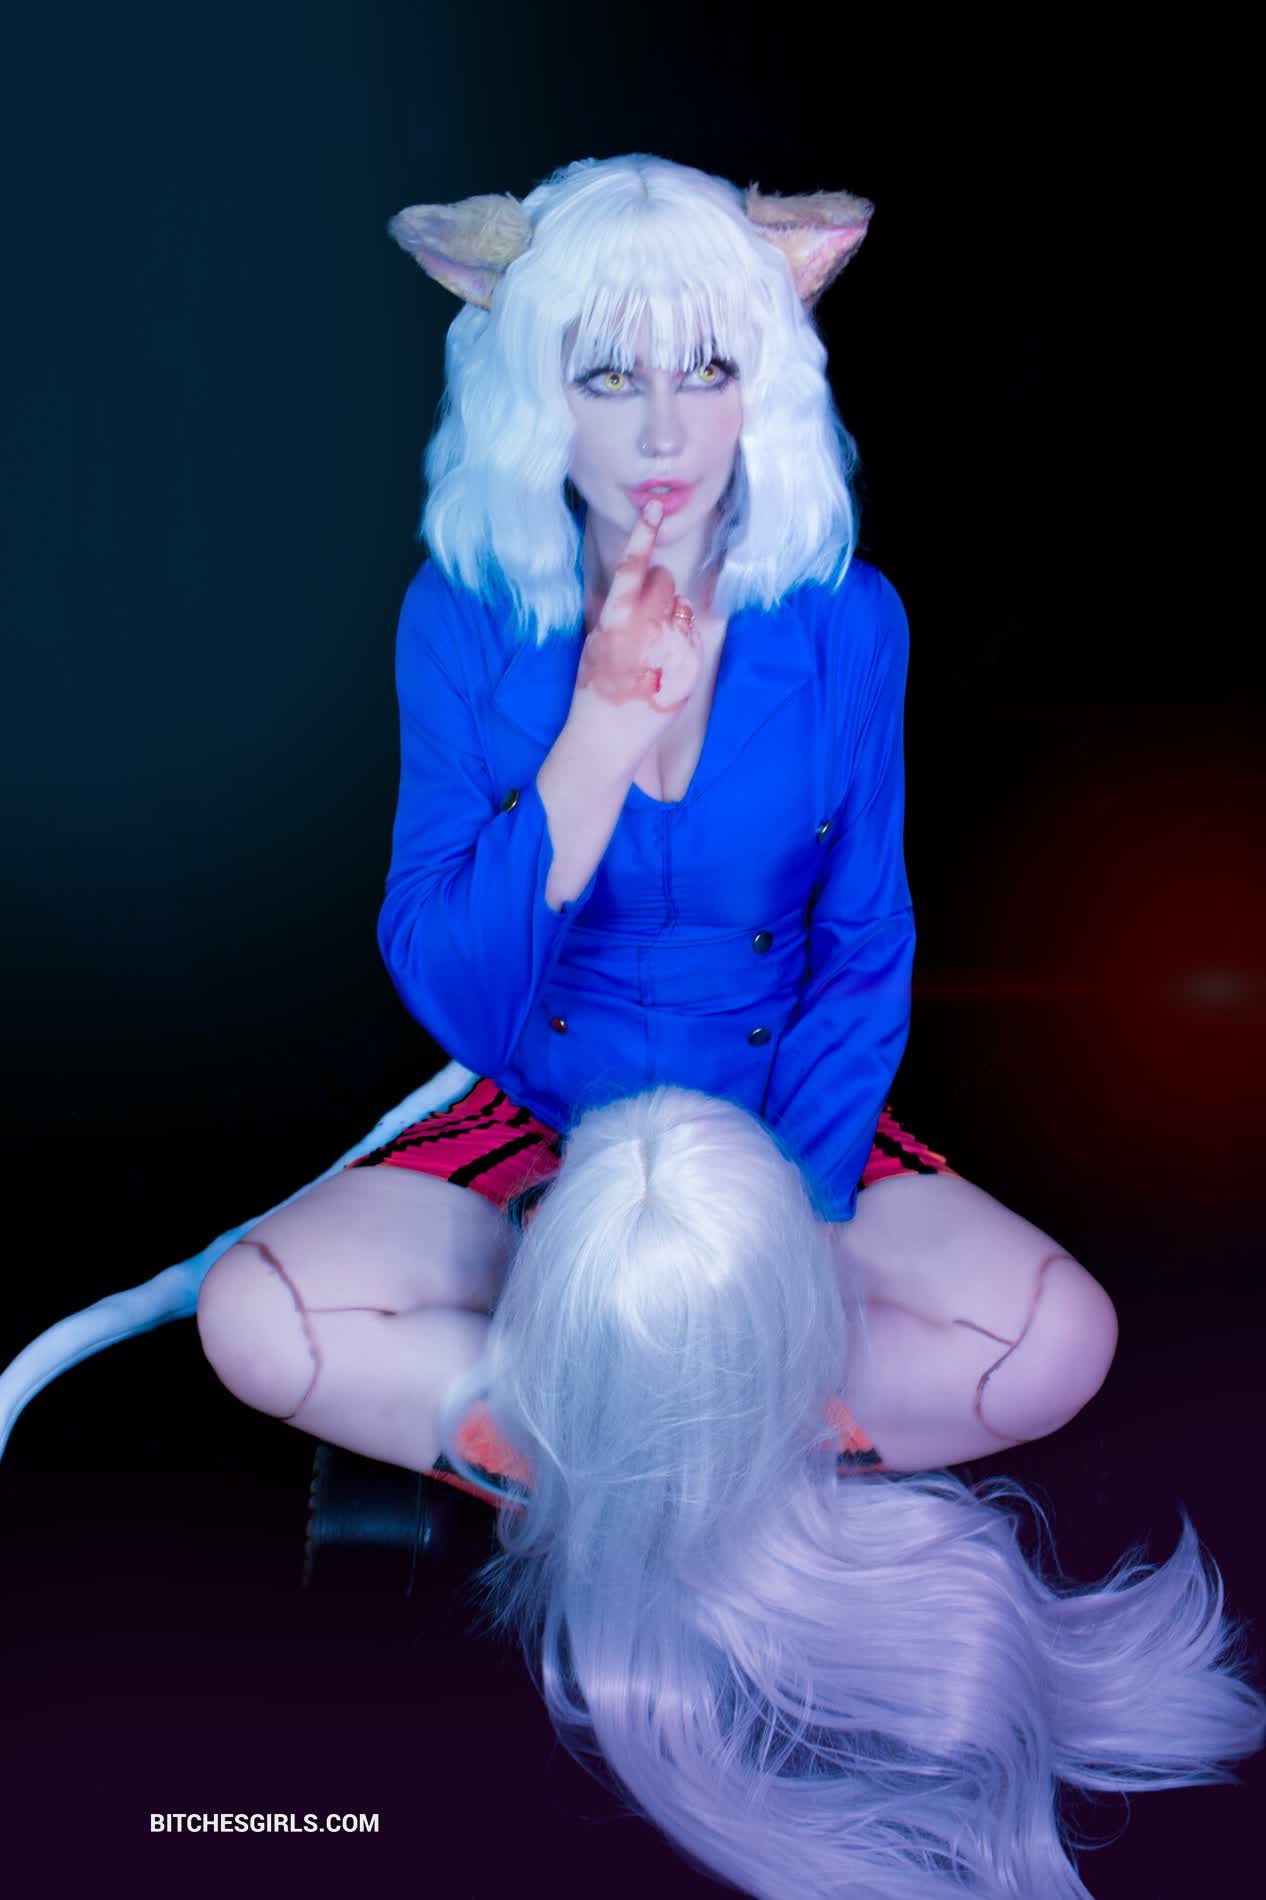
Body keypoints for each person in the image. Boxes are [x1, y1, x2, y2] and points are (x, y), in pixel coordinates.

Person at [193, 156, 1265, 1894]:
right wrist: (602, 730)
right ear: (529, 389)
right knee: (250, 1317)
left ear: (767, 377)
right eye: (607, 372)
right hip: (540, 1117)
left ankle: (639, 1432)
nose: (662, 428)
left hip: (780, 1120)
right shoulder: (461, 620)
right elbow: (451, 980)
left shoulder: (846, 622)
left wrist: (796, 1224)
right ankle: (657, 1450)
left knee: (1058, 1341)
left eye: (705, 365)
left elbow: (865, 941)